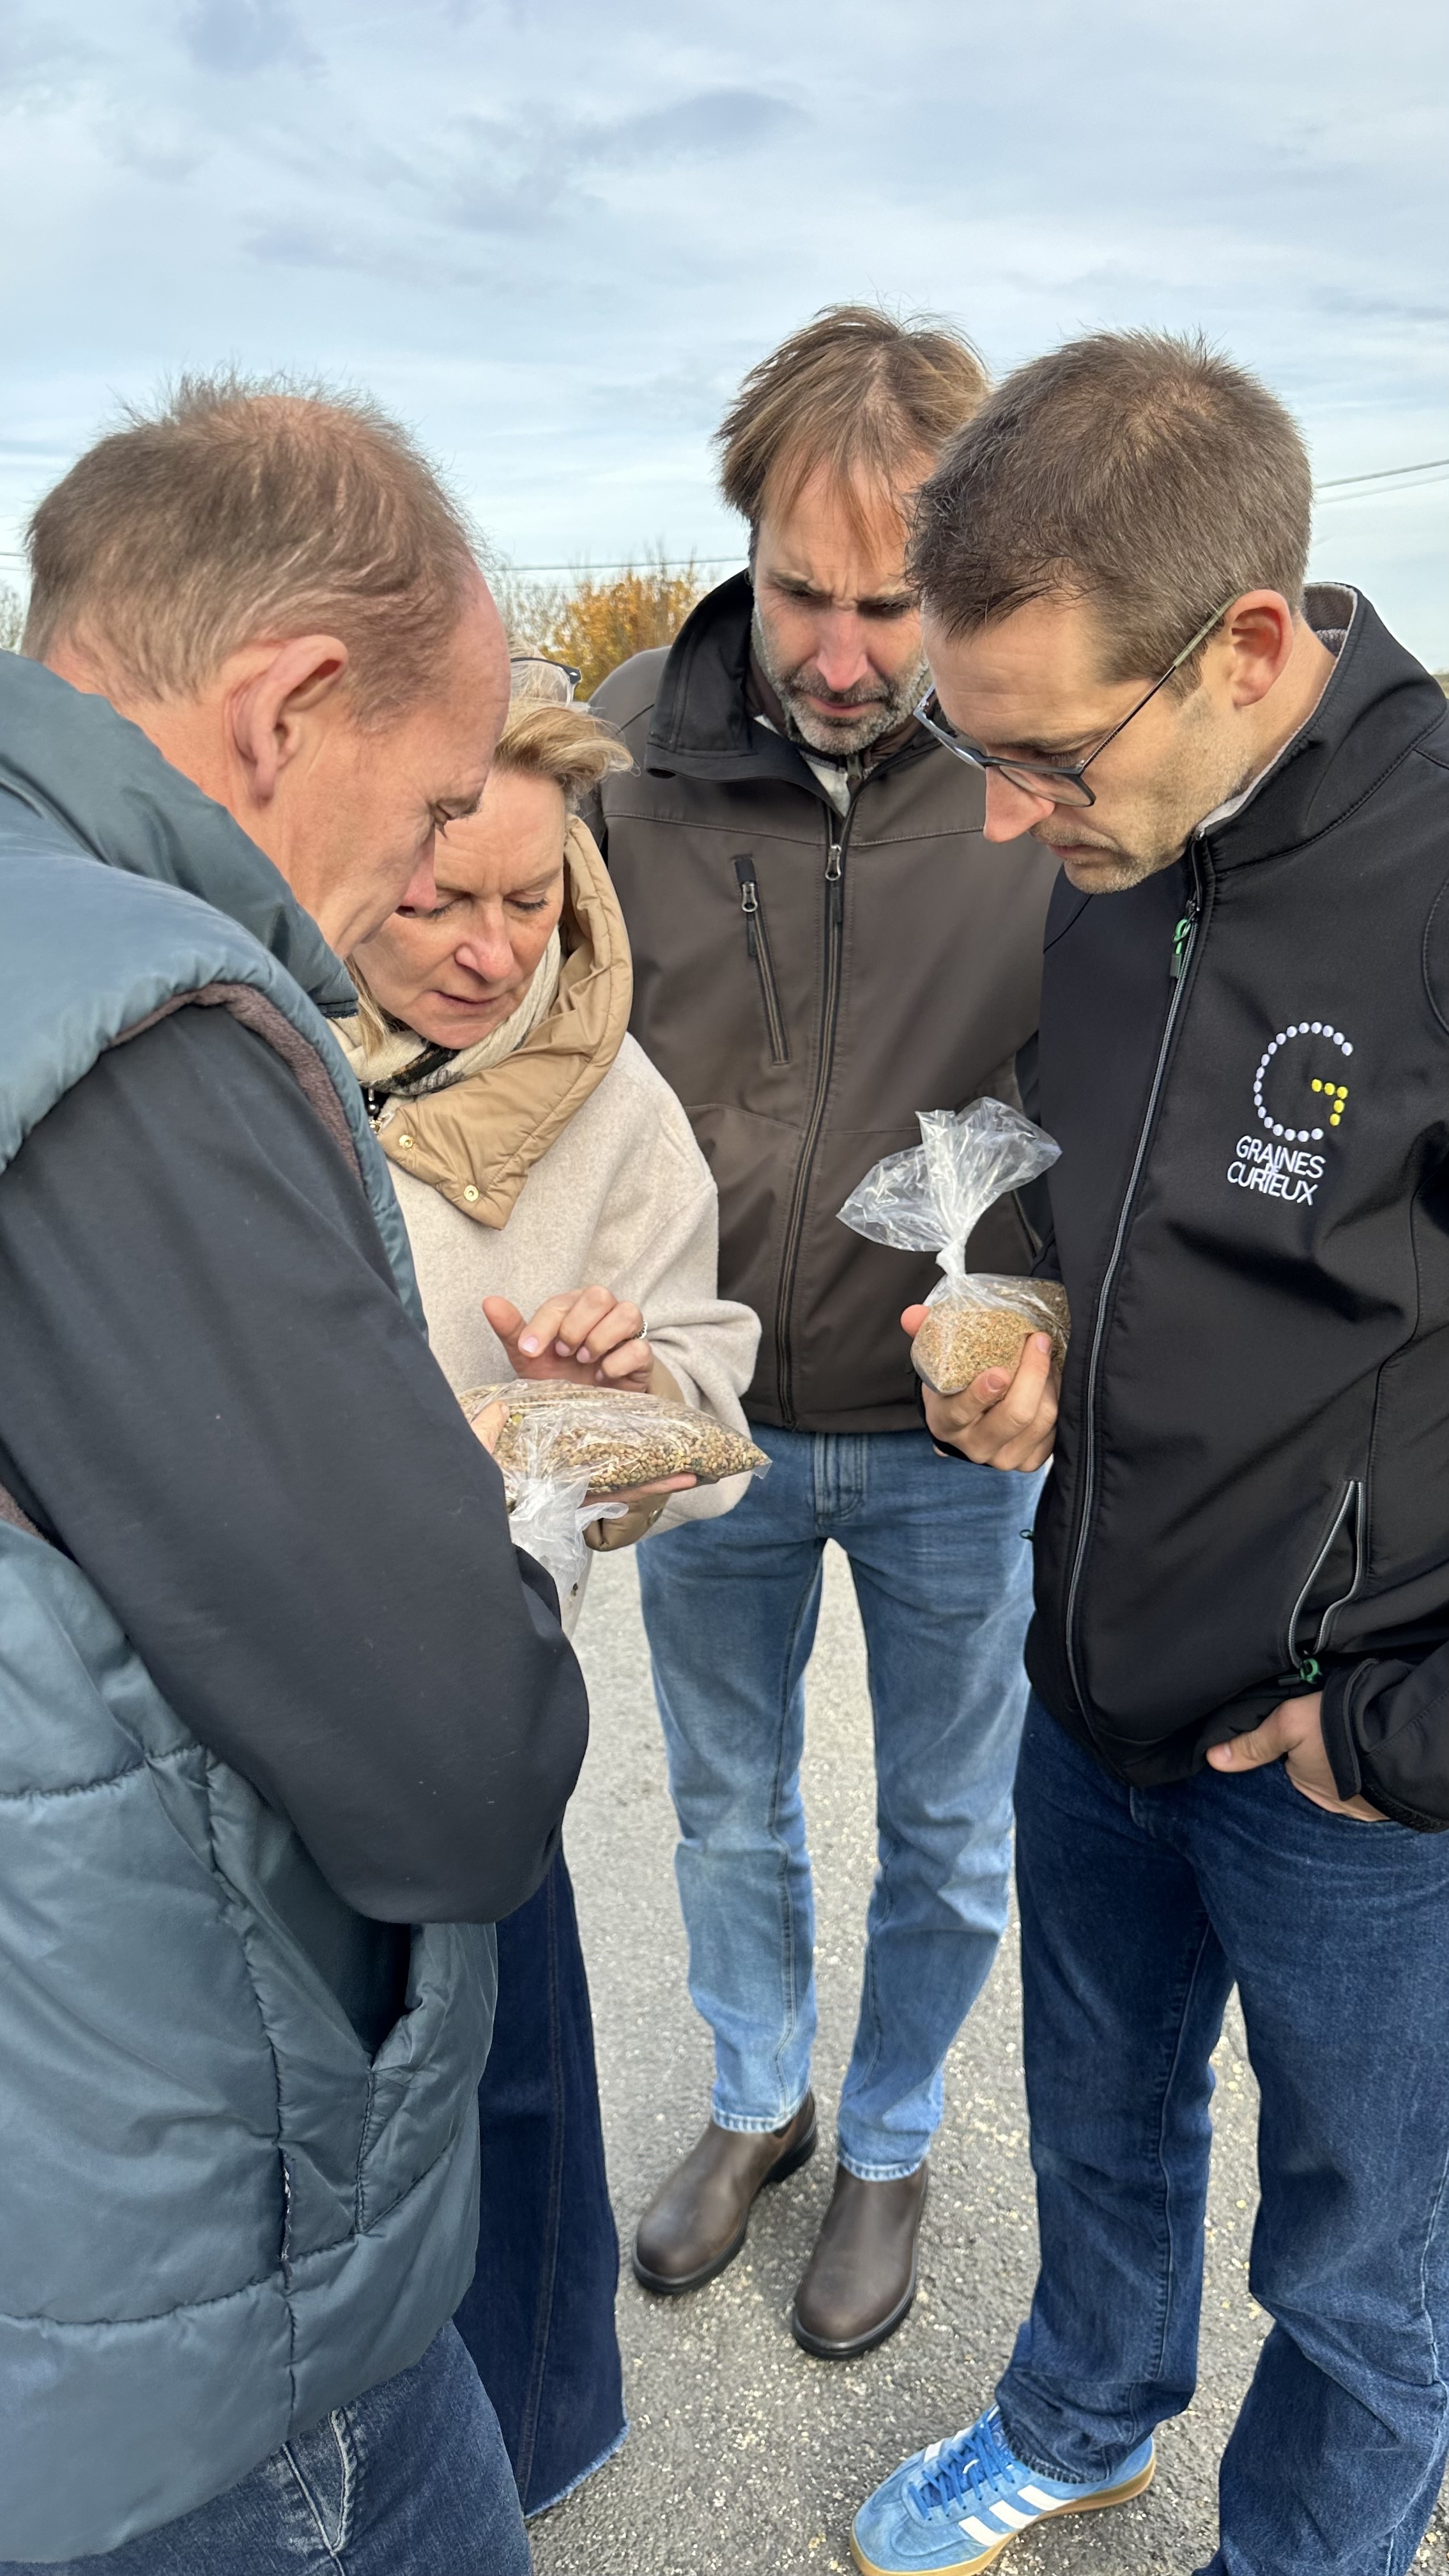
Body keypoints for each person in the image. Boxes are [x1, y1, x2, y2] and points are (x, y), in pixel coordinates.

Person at [851, 332, 1449, 2576]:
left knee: (1362, 2262)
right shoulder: (1122, 836)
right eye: (964, 744)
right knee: (1096, 2127)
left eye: (1041, 755)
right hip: (1083, 1683)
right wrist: (997, 1305)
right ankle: (1085, 2413)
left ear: (1249, 648)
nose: (1004, 814)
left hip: (1343, 1772)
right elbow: (1026, 1141)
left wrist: (1406, 1734)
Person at [0, 381, 590, 2575]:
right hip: (161, 2315)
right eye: (431, 802)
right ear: (286, 705)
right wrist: (473, 1528)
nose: (421, 881)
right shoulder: (129, 1022)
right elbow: (455, 1766)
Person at [588, 307, 1059, 2359]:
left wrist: (1036, 1311)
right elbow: (534, 1051)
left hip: (956, 1432)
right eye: (800, 591)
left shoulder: (1044, 767)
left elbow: (1122, 1083)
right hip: (709, 1428)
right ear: (740, 545)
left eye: (893, 603)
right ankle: (753, 2102)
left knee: (953, 1823)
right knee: (723, 1797)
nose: (845, 652)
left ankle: (886, 2135)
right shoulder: (618, 751)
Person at [339, 682, 759, 2514]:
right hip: (233, 1707)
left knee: (511, 2109)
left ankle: (526, 2457)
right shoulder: (240, 1042)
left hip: (471, 1718)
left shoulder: (617, 1102)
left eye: (535, 903)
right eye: (440, 899)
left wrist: (616, 1398)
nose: (490, 949)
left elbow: (698, 1416)